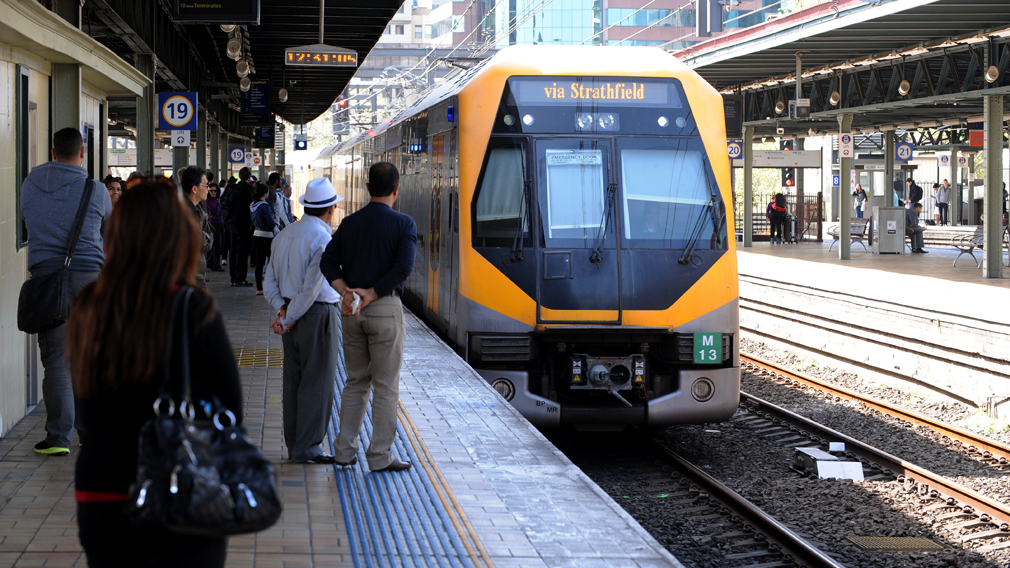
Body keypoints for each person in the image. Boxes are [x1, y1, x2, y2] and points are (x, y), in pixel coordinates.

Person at [67, 179, 242, 567]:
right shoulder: (192, 306)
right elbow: (230, 411)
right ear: (177, 235)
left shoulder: (89, 305)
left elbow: (84, 395)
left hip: (101, 491)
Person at [21, 127, 113, 455]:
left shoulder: (30, 183)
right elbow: (109, 232)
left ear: (52, 151)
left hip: (47, 281)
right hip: (90, 280)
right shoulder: (96, 189)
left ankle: (58, 438)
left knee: (57, 359)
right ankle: (91, 432)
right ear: (83, 152)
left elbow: (28, 222)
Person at [321, 162, 417, 472]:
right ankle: (379, 457)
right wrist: (371, 294)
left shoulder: (349, 223)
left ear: (366, 188)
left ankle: (344, 452)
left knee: (356, 381)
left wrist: (347, 293)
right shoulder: (404, 224)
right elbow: (403, 268)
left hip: (352, 312)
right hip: (384, 310)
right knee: (386, 385)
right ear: (396, 189)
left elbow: (328, 262)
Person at [264, 178, 343, 464]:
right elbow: (311, 289)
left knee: (293, 381)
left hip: (289, 314)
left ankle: (294, 443)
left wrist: (281, 312)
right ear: (331, 209)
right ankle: (308, 448)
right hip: (317, 315)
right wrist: (290, 316)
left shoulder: (285, 234)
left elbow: (268, 277)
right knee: (317, 382)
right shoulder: (323, 239)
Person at [181, 166, 211, 287]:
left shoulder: (200, 211)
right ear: (194, 189)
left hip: (198, 274)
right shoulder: (182, 211)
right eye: (206, 186)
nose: (208, 189)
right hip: (187, 277)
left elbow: (209, 241)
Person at [224, 167, 254, 287]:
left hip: (232, 222)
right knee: (242, 251)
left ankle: (233, 277)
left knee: (233, 249)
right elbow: (250, 207)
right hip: (243, 223)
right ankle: (240, 277)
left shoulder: (233, 187)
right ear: (249, 176)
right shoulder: (248, 189)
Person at [250, 183, 276, 295]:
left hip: (256, 234)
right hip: (267, 236)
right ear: (265, 194)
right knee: (272, 260)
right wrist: (275, 223)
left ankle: (259, 288)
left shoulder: (252, 205)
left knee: (259, 262)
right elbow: (270, 223)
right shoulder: (264, 206)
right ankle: (271, 285)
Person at [206, 183, 225, 271]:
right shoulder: (209, 200)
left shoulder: (217, 199)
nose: (213, 192)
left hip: (219, 222)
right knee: (216, 244)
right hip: (214, 223)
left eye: (215, 190)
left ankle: (211, 262)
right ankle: (215, 264)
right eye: (211, 191)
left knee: (219, 244)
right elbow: (215, 211)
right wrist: (219, 204)